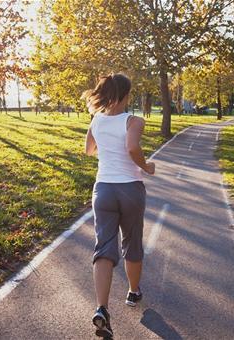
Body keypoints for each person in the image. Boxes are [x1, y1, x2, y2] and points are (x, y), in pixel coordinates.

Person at [82, 73, 155, 338]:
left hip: (103, 190)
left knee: (104, 247)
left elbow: (89, 150)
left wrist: (106, 146)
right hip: (130, 189)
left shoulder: (96, 120)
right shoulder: (133, 121)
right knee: (132, 242)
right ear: (125, 95)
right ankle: (133, 293)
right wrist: (147, 166)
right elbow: (133, 148)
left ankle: (101, 308)